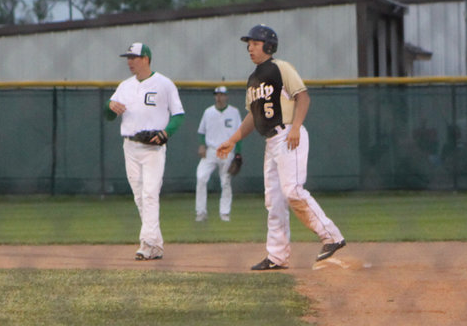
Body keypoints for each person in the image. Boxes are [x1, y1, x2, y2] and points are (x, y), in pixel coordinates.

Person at [217, 24, 346, 270]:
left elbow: (303, 96)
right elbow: (252, 117)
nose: (249, 48)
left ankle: (332, 236)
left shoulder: (281, 68)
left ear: (268, 46)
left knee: (293, 191)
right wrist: (233, 139)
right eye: (249, 44)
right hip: (271, 142)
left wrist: (296, 126)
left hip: (288, 134)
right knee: (273, 201)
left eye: (254, 43)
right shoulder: (253, 79)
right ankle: (277, 256)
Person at [105, 42, 184, 260]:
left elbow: (178, 115)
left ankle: (146, 244)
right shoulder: (125, 86)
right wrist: (109, 106)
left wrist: (166, 133)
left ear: (146, 59)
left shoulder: (164, 84)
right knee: (140, 197)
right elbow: (109, 114)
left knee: (150, 193)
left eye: (134, 57)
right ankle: (156, 244)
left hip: (153, 147)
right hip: (129, 145)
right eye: (128, 58)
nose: (129, 61)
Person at [194, 85, 242, 222]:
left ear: (226, 96)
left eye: (222, 94)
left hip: (227, 151)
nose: (219, 97)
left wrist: (238, 153)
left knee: (225, 182)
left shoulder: (234, 112)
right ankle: (201, 212)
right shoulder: (208, 112)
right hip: (211, 151)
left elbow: (239, 134)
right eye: (217, 94)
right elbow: (201, 132)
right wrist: (202, 145)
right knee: (201, 177)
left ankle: (224, 213)